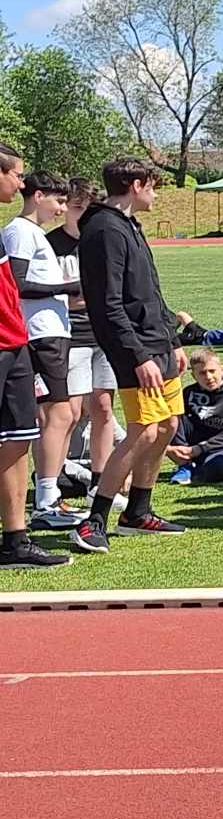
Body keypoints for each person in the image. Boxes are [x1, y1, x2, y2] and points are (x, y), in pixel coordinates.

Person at [75, 156, 188, 552]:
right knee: (145, 430)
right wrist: (138, 355)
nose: (155, 194)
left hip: (158, 343)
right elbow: (108, 305)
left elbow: (149, 291)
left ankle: (138, 512)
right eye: (152, 186)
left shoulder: (128, 224)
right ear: (136, 185)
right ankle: (94, 520)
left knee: (168, 425)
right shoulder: (104, 230)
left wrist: (173, 340)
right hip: (135, 349)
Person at [0, 146, 70, 568]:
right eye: (17, 175)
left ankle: (15, 541)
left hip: (16, 342)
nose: (22, 184)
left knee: (18, 437)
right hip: (11, 343)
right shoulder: (17, 231)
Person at [49, 181, 118, 504]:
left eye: (88, 209)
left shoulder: (101, 240)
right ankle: (51, 481)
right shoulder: (51, 244)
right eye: (77, 208)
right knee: (70, 412)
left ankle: (99, 484)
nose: (82, 215)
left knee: (103, 407)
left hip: (103, 333)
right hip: (69, 335)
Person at [165, 349, 223, 485]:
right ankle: (185, 465)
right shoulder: (189, 392)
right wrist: (176, 449)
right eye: (202, 373)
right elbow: (176, 424)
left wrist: (199, 449)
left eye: (212, 371)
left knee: (217, 470)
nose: (208, 377)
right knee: (172, 415)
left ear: (222, 370)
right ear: (194, 376)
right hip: (191, 445)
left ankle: (207, 466)